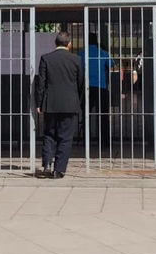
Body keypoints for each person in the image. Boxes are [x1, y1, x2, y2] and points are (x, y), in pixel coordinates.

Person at [35, 31, 84, 179]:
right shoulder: (76, 59)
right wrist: (77, 99)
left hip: (50, 103)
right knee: (65, 137)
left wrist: (39, 102)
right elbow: (80, 82)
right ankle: (59, 169)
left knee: (49, 134)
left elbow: (41, 83)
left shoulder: (46, 58)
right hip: (70, 103)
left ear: (55, 43)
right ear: (69, 44)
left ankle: (47, 163)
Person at [81, 34, 114, 142]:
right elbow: (112, 63)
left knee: (86, 114)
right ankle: (104, 140)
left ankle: (86, 139)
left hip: (86, 88)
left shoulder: (82, 53)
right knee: (103, 114)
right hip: (101, 87)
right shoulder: (102, 53)